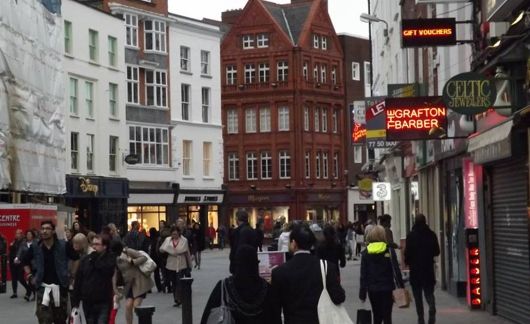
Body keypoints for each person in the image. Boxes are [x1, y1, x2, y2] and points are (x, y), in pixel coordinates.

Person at [271, 222, 345, 324]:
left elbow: (275, 310)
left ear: (293, 243)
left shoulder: (279, 272)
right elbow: (339, 297)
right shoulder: (326, 267)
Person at [201, 245, 281, 324]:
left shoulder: (224, 287)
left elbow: (206, 318)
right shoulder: (267, 290)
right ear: (255, 265)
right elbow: (276, 318)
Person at [24, 221, 79, 324]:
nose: (44, 231)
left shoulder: (64, 245)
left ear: (53, 231)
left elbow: (76, 258)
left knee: (60, 320)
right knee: (44, 319)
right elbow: (25, 261)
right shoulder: (36, 247)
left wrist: (72, 275)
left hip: (60, 287)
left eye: (48, 228)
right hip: (42, 288)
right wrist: (30, 276)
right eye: (43, 228)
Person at [359, 225, 403, 324]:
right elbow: (395, 269)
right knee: (387, 315)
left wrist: (362, 292)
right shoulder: (389, 250)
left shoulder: (366, 253)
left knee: (376, 315)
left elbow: (363, 274)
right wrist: (401, 285)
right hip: (387, 288)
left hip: (372, 289)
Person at [72, 234, 116, 324]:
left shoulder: (110, 258)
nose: (94, 246)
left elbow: (108, 271)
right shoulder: (86, 260)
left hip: (103, 301)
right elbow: (79, 280)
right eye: (93, 244)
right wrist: (75, 302)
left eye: (97, 244)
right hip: (88, 301)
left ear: (104, 246)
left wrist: (96, 260)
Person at [405, 214, 440, 324]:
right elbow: (437, 251)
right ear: (425, 221)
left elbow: (407, 253)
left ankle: (421, 319)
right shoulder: (431, 234)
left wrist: (408, 262)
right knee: (429, 292)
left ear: (415, 222)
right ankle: (431, 306)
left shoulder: (411, 236)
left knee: (418, 296)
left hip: (415, 271)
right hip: (428, 269)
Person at [115, 245, 154, 324]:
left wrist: (133, 261)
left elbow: (144, 258)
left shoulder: (127, 251)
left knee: (136, 306)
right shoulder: (113, 258)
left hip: (140, 281)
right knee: (128, 305)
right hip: (128, 283)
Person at [159, 226, 192, 307]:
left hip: (181, 263)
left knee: (179, 281)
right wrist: (170, 250)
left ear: (179, 233)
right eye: (173, 234)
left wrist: (169, 249)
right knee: (173, 282)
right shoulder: (168, 240)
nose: (174, 235)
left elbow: (183, 250)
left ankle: (180, 298)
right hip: (171, 264)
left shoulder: (184, 240)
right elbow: (162, 249)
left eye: (176, 234)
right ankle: (176, 299)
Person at [9, 228, 29, 299]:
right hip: (13, 262)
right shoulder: (14, 241)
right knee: (13, 278)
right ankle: (14, 292)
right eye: (16, 233)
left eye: (18, 233)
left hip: (20, 262)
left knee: (20, 278)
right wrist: (11, 245)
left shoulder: (23, 242)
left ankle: (28, 289)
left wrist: (19, 258)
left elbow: (22, 252)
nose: (16, 235)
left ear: (21, 234)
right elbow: (11, 250)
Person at [18, 229, 37, 301]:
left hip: (33, 264)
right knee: (20, 278)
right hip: (25, 263)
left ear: (32, 235)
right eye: (27, 234)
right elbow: (19, 251)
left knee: (31, 279)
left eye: (30, 234)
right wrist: (17, 258)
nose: (28, 236)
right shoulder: (23, 243)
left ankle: (32, 294)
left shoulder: (36, 242)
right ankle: (29, 290)